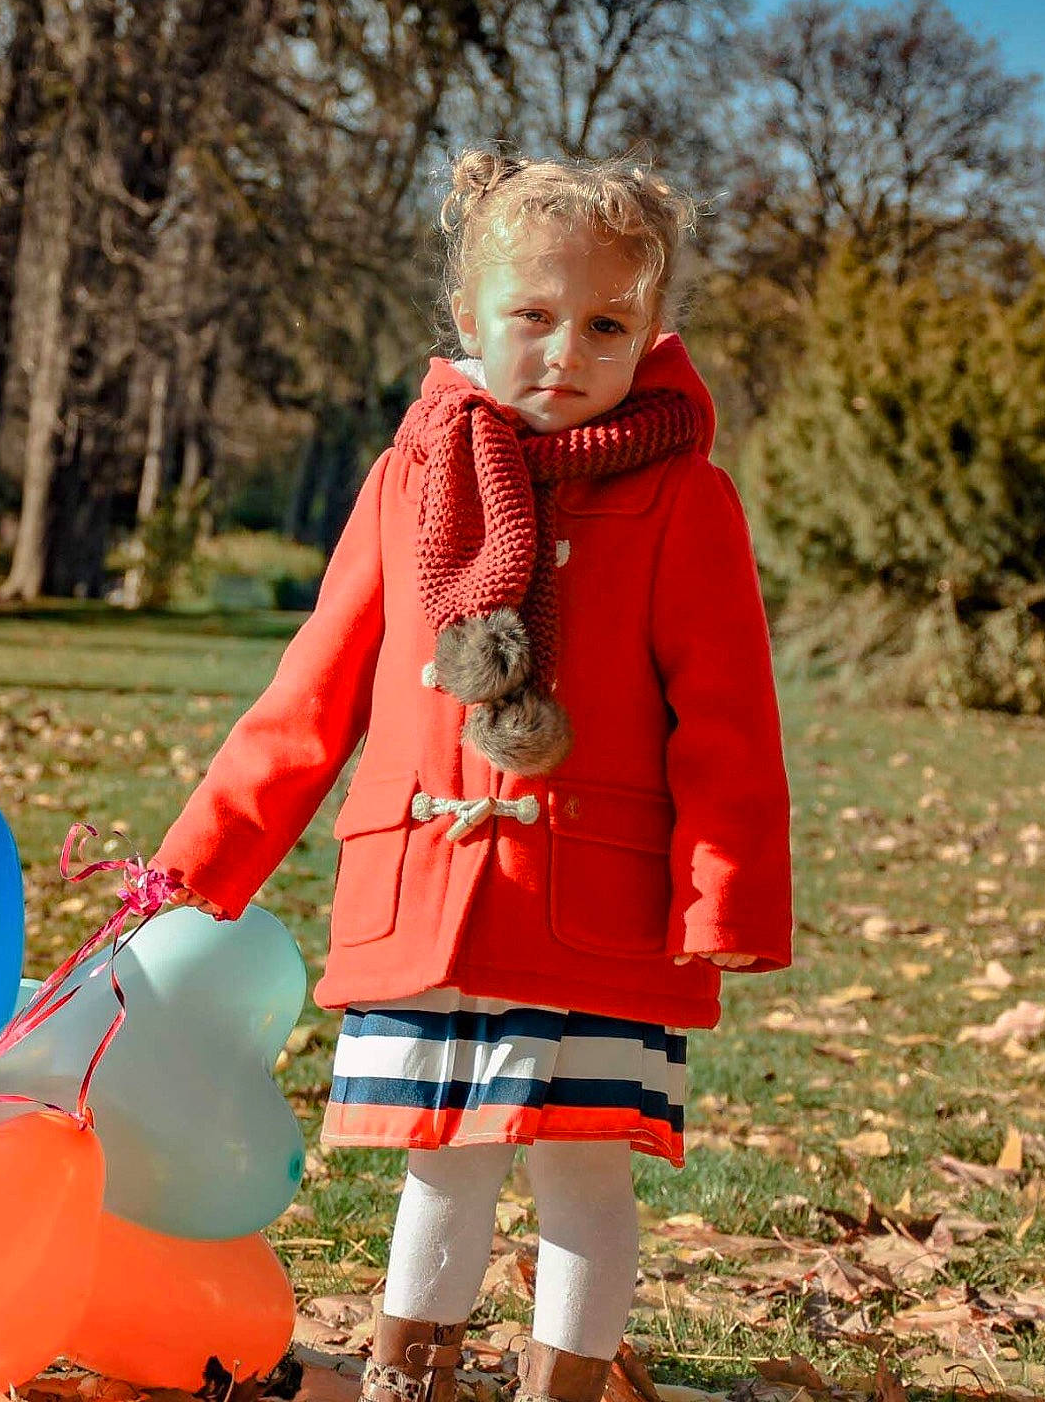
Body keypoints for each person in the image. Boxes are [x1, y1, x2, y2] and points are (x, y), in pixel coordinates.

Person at [149, 148, 793, 1402]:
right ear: (468, 319)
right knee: (437, 1159)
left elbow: (727, 720)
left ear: (651, 331)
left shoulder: (680, 501)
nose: (565, 350)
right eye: (533, 316)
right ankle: (410, 1381)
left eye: (605, 324)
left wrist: (724, 899)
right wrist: (195, 864)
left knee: (580, 1167)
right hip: (427, 896)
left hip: (596, 911)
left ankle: (561, 1381)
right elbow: (314, 689)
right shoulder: (408, 482)